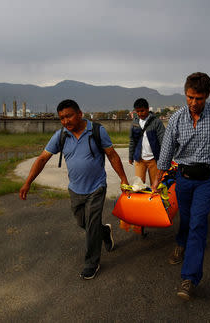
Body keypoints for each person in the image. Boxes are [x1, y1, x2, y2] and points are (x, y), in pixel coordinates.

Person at [151, 72, 210, 301]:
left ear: (207, 95)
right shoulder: (176, 118)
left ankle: (189, 278)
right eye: (190, 97)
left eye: (198, 98)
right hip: (182, 178)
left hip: (207, 179)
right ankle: (181, 243)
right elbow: (166, 151)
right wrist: (157, 179)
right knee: (187, 217)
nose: (193, 103)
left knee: (199, 222)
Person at [19, 99, 129, 280]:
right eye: (61, 118)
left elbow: (112, 155)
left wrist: (124, 180)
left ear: (79, 114)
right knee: (82, 223)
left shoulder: (96, 131)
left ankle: (91, 263)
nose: (65, 121)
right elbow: (42, 159)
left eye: (69, 116)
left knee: (91, 225)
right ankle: (104, 232)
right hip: (76, 190)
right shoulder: (61, 135)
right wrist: (28, 182)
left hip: (97, 187)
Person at [121, 98, 165, 234]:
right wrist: (130, 156)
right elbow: (132, 140)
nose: (140, 113)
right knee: (138, 188)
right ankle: (140, 220)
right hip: (139, 159)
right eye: (138, 111)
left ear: (147, 109)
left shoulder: (156, 122)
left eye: (142, 111)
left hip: (154, 160)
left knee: (155, 188)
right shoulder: (134, 123)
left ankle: (155, 215)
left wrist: (164, 159)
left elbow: (163, 140)